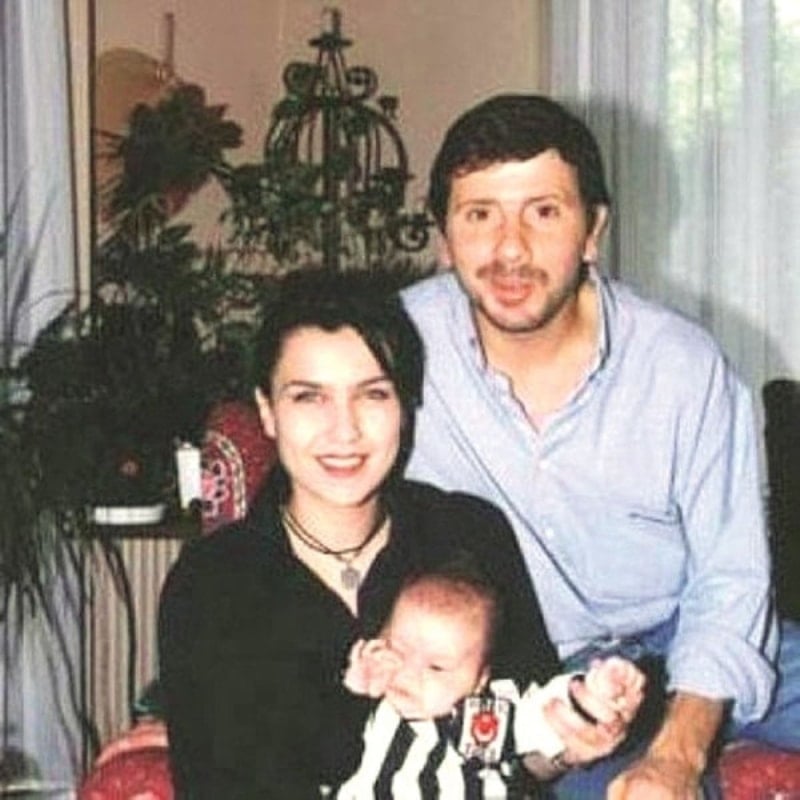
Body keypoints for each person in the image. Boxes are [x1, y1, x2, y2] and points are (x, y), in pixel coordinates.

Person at [400, 93, 800, 798]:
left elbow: (729, 581)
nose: (510, 249)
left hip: (685, 629)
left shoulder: (682, 366)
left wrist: (678, 751)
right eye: (480, 215)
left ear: (593, 230)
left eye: (543, 212)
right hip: (537, 674)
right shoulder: (393, 354)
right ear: (443, 237)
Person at [157, 268, 641, 799]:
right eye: (309, 397)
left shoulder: (469, 535)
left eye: (373, 394)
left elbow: (517, 752)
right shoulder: (212, 585)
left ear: (405, 406)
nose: (344, 430)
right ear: (268, 412)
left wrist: (570, 741)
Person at [336, 564, 644, 799]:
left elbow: (542, 713)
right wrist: (354, 685)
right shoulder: (379, 706)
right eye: (398, 650)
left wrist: (594, 691)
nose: (409, 672)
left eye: (437, 667)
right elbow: (329, 741)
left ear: (478, 680)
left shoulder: (479, 716)